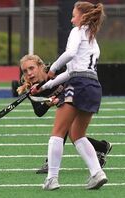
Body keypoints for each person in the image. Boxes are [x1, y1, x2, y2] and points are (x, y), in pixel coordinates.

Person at [30, 1, 108, 190]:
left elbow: (70, 54)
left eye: (74, 15)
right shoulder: (92, 39)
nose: (72, 19)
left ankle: (51, 179)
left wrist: (53, 68)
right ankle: (97, 173)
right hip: (93, 86)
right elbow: (72, 71)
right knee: (77, 134)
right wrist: (46, 84)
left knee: (57, 132)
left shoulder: (77, 31)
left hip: (79, 85)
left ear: (83, 17)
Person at [17, 54, 112, 175]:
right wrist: (48, 104)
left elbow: (72, 76)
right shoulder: (32, 90)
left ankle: (51, 163)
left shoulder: (56, 70)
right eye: (25, 71)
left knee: (65, 128)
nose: (29, 73)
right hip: (67, 102)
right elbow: (39, 111)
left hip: (80, 94)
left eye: (31, 68)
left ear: (41, 66)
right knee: (75, 134)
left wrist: (61, 98)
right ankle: (102, 147)